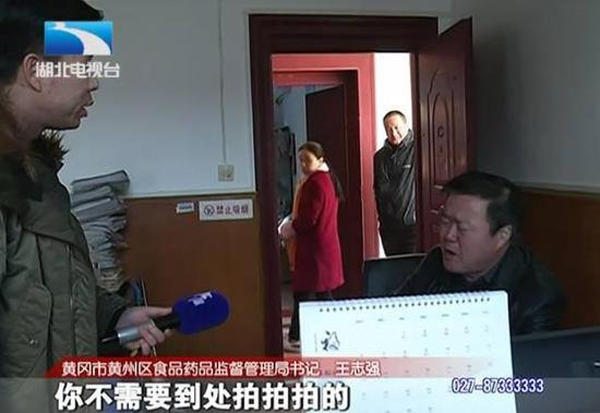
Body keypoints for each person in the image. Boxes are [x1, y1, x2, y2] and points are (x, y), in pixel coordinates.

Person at [0, 0, 171, 379]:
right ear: (36, 71)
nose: (94, 81)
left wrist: (114, 316)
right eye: (86, 65)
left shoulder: (40, 177)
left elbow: (45, 292)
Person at [397, 171, 565, 335]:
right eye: (445, 221)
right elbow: (396, 315)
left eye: (463, 227)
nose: (448, 235)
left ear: (502, 236)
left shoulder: (537, 297)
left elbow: (527, 354)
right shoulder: (436, 261)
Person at [280, 141, 344, 347]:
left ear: (320, 160)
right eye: (300, 160)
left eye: (307, 160)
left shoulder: (315, 183)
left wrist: (290, 227)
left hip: (315, 250)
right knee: (312, 293)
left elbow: (309, 218)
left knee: (310, 293)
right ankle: (296, 335)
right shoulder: (326, 180)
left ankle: (298, 336)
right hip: (322, 247)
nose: (302, 165)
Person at [374, 110, 416, 256]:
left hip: (412, 227)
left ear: (406, 125)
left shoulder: (418, 150)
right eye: (389, 129)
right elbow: (378, 190)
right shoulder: (379, 157)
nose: (393, 133)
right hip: (389, 229)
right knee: (393, 266)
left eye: (397, 128)